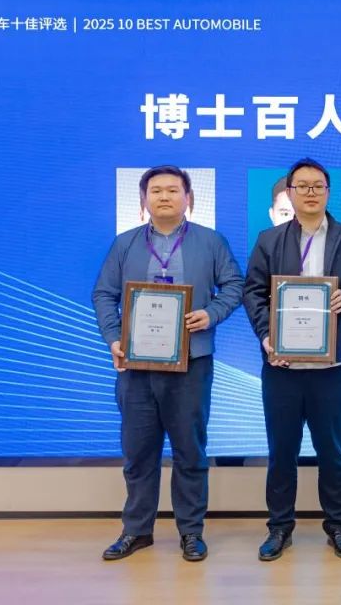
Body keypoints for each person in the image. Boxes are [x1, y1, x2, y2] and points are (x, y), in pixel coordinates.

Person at [93, 165, 244, 562]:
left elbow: (235, 285)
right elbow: (103, 294)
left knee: (189, 452)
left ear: (188, 198)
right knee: (138, 453)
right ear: (143, 199)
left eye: (173, 190)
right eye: (156, 190)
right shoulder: (125, 243)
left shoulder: (210, 241)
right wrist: (114, 338)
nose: (164, 196)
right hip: (137, 366)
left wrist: (211, 314)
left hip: (191, 363)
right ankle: (136, 530)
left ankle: (191, 532)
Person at [243, 158, 341, 562]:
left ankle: (338, 526)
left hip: (331, 368)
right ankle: (279, 528)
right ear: (290, 193)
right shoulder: (269, 240)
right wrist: (267, 336)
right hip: (281, 368)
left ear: (328, 192)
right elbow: (253, 292)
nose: (311, 192)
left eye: (318, 185)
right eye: (302, 186)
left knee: (332, 453)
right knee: (282, 452)